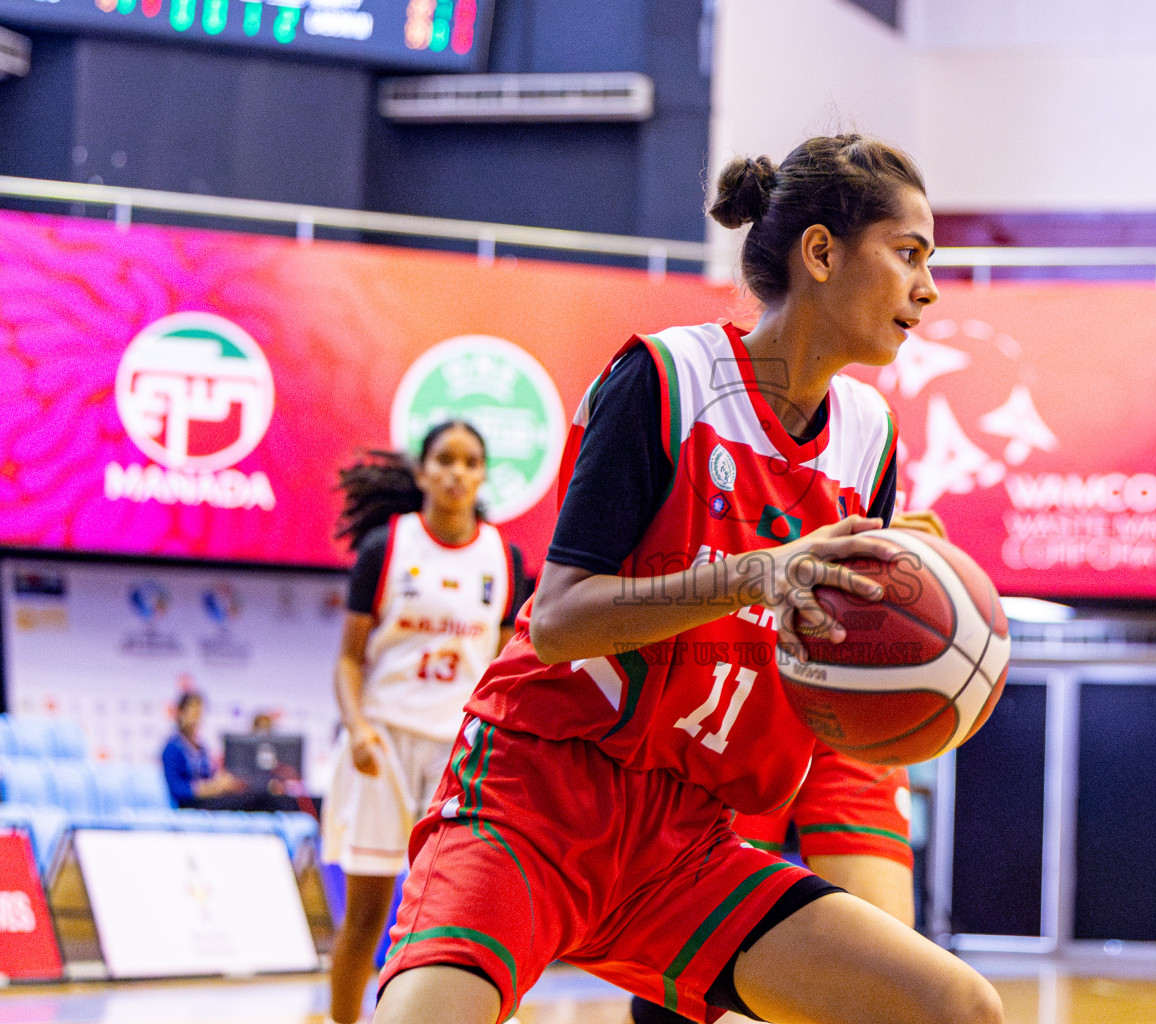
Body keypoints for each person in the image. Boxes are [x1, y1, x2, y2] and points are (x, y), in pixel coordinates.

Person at [372, 135, 1004, 1024]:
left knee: (954, 1008)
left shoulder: (870, 439)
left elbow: (825, 654)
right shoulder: (668, 377)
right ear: (820, 253)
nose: (928, 289)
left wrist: (905, 623)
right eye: (909, 254)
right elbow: (556, 620)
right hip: (537, 799)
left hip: (688, 841)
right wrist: (758, 574)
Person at [628, 509, 947, 1024]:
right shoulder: (709, 442)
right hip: (739, 677)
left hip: (847, 698)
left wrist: (928, 569)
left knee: (894, 977)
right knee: (693, 967)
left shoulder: (873, 439)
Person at [324, 421, 527, 1024]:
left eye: (470, 461)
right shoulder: (386, 549)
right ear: (422, 473)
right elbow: (347, 659)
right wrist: (357, 727)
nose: (457, 472)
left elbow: (501, 666)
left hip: (462, 752)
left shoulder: (505, 559)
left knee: (461, 909)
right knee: (367, 913)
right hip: (381, 743)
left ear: (484, 474)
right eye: (445, 460)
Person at [161, 690, 253, 809]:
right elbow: (177, 789)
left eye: (199, 713)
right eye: (193, 713)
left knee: (253, 798)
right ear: (181, 713)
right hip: (191, 804)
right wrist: (211, 788)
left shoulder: (201, 747)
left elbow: (209, 776)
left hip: (209, 800)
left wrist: (225, 783)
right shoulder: (172, 748)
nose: (196, 719)